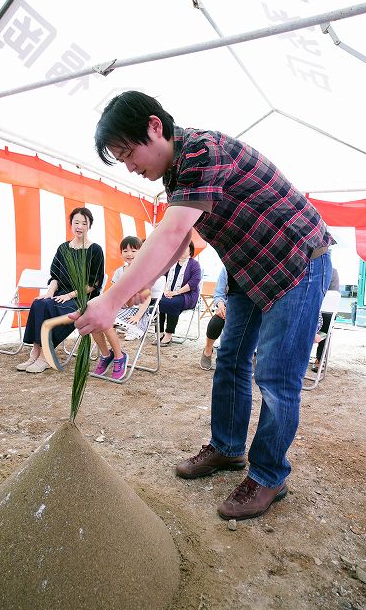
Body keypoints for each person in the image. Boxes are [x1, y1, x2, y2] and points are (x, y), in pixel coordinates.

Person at [71, 91, 334, 521]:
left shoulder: (201, 151)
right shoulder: (176, 177)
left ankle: (270, 475)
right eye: (120, 159)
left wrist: (112, 298)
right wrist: (147, 282)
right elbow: (184, 243)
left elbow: (173, 232)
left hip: (298, 261)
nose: (129, 166)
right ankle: (229, 450)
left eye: (127, 152)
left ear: (155, 127)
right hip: (250, 270)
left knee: (274, 375)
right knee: (230, 358)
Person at [16, 207, 104, 373]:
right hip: (60, 293)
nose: (80, 226)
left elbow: (94, 283)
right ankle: (35, 352)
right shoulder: (63, 248)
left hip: (82, 297)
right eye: (76, 222)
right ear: (71, 224)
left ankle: (45, 356)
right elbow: (55, 276)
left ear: (89, 225)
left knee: (55, 308)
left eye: (84, 223)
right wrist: (49, 293)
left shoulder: (95, 250)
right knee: (40, 304)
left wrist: (69, 295)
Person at [92, 236, 151, 380]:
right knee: (94, 322)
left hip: (136, 310)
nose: (129, 254)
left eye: (133, 250)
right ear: (121, 253)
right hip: (119, 308)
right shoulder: (120, 271)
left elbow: (147, 297)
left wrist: (138, 316)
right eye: (125, 250)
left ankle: (119, 357)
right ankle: (106, 355)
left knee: (105, 322)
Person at [158, 240, 201, 346]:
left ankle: (168, 334)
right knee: (158, 302)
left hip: (187, 295)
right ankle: (159, 332)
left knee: (172, 303)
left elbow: (193, 283)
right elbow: (162, 277)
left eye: (185, 247)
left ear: (190, 250)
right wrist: (165, 291)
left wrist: (176, 292)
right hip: (169, 292)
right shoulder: (171, 262)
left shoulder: (194, 264)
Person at [312, 267, 340, 372]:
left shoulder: (331, 271)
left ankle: (319, 358)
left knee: (327, 315)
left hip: (322, 311)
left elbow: (332, 299)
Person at [200, 266, 228, 370]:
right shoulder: (226, 269)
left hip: (249, 310)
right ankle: (207, 350)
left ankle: (252, 354)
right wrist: (221, 306)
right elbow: (219, 294)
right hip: (228, 307)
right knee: (216, 321)